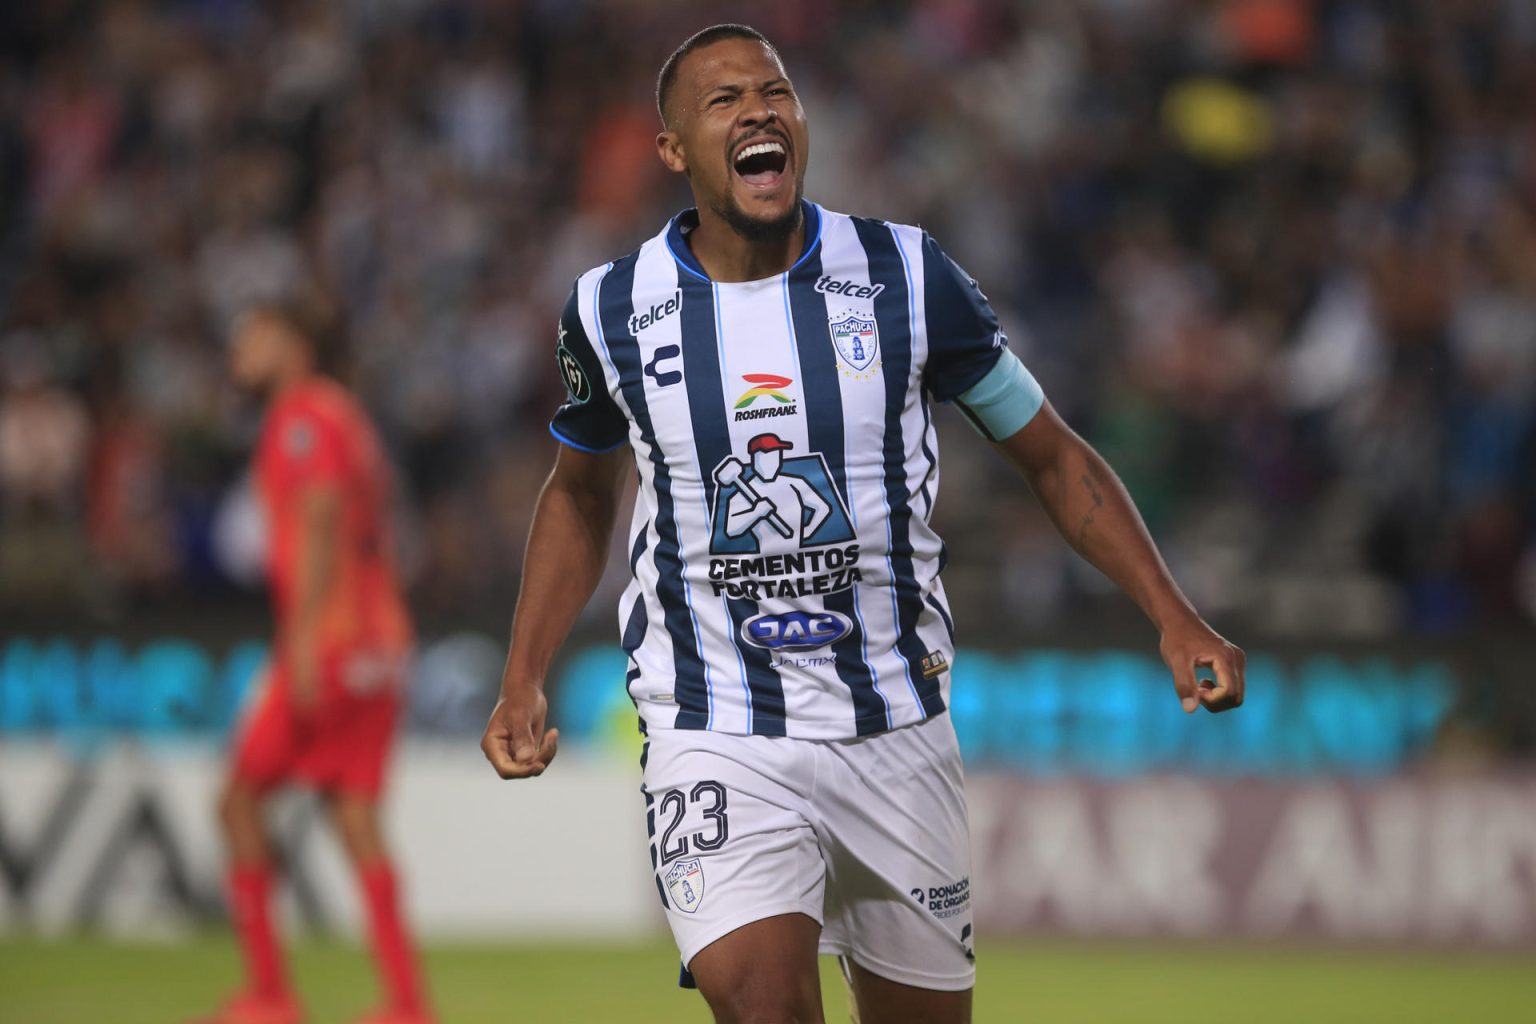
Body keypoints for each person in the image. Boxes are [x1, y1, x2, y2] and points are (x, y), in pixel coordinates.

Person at [480, 23, 1244, 1024]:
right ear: (672, 149)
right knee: (765, 1006)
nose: (758, 109)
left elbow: (1051, 454)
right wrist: (523, 670)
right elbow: (577, 492)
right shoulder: (612, 308)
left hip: (896, 726)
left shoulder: (909, 277)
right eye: (723, 100)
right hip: (716, 723)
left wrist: (1171, 611)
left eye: (775, 91)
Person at [197, 301, 431, 1024]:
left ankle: (269, 994)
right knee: (354, 815)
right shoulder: (344, 413)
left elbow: (325, 517)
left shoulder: (302, 417)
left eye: (254, 337)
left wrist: (298, 647)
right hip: (379, 639)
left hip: (331, 643)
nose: (240, 353)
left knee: (237, 803)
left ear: (293, 345)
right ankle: (405, 1002)